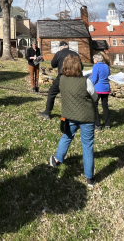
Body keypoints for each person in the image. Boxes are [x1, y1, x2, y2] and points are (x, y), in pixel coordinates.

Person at [49, 54, 98, 187]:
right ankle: (90, 178)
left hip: (70, 116)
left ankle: (57, 159)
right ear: (79, 67)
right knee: (87, 146)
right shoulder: (85, 81)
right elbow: (95, 97)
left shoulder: (62, 80)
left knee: (67, 137)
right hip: (86, 117)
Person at [38, 41, 83, 120]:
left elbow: (53, 65)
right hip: (75, 78)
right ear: (67, 46)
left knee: (52, 92)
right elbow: (81, 67)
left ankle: (47, 112)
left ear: (61, 47)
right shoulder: (75, 54)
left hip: (63, 77)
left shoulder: (59, 53)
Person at [91, 53, 111, 130]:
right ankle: (108, 124)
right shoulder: (106, 66)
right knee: (105, 106)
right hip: (106, 88)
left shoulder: (96, 66)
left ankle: (98, 125)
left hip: (98, 89)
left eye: (93, 59)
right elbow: (109, 76)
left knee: (94, 106)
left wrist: (89, 84)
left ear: (96, 60)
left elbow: (94, 79)